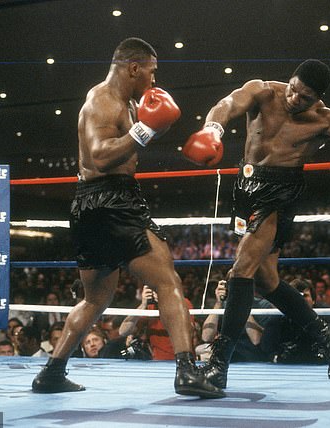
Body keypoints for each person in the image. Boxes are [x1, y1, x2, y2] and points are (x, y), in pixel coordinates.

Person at [183, 59, 330, 387]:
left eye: (305, 97)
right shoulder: (262, 91)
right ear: (289, 80)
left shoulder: (324, 119)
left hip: (279, 193)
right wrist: (213, 129)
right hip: (246, 184)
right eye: (293, 89)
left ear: (317, 98)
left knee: (241, 271)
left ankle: (219, 366)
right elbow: (226, 104)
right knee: (265, 281)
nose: (295, 98)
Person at [31, 37, 223, 398]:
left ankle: (51, 373)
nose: (153, 80)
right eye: (151, 71)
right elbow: (102, 156)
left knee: (95, 299)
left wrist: (152, 130)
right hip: (112, 201)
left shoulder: (126, 102)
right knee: (167, 282)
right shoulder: (102, 100)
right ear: (133, 68)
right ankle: (187, 371)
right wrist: (148, 130)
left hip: (91, 204)